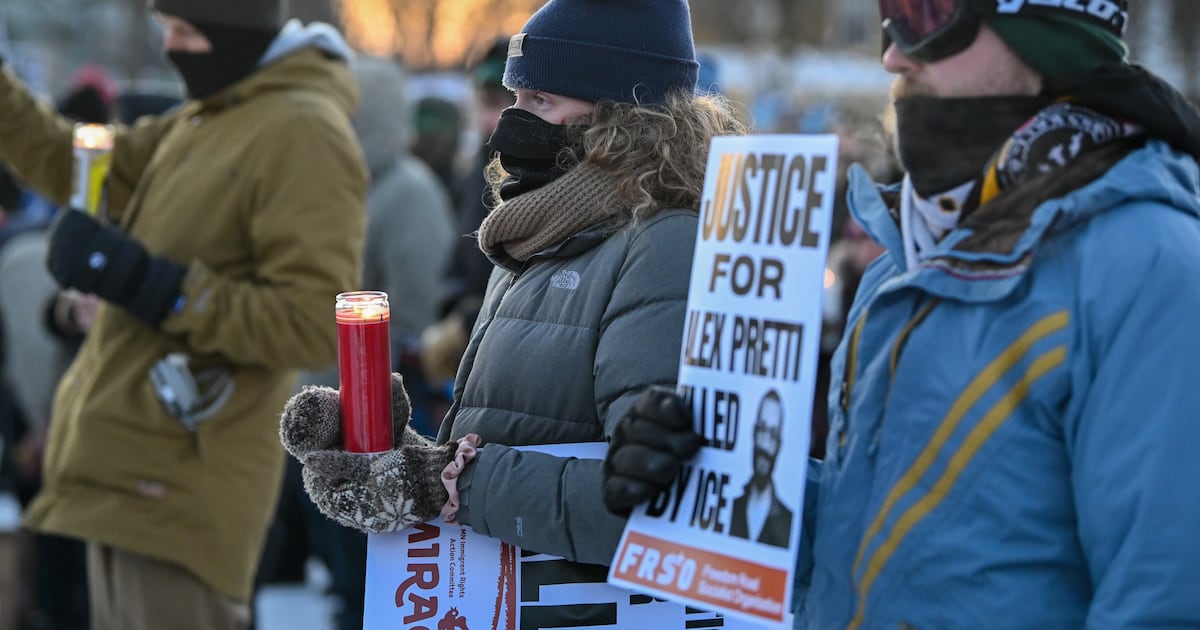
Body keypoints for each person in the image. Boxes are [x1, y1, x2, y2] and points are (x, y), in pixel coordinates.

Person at [603, 0, 1200, 627]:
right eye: (890, 15)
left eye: (927, 13)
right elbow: (886, 538)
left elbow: (1167, 599)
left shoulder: (1149, 266)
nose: (893, 51)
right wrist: (712, 481)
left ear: (1049, 32)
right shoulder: (903, 259)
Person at [280, 0, 744, 571]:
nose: (511, 121)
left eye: (540, 100)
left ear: (623, 118)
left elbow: (661, 508)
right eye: (513, 97)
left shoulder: (663, 247)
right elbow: (507, 444)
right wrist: (393, 460)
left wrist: (450, 483)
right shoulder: (541, 232)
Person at [0, 0, 367, 627]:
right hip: (124, 471)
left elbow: (311, 321)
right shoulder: (205, 120)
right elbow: (75, 163)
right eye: (165, 29)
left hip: (187, 482)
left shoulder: (304, 132)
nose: (170, 47)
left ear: (232, 33)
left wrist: (154, 285)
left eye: (184, 31)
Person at [728, 389, 793, 548]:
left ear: (779, 444)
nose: (765, 443)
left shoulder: (789, 521)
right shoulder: (729, 509)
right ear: (754, 432)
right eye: (762, 429)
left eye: (772, 433)